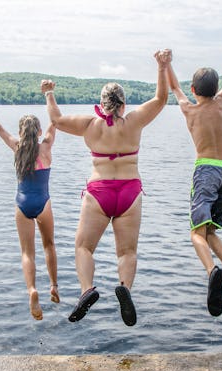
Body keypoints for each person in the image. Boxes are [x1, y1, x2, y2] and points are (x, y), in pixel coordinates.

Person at [40, 50, 171, 326]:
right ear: (123, 104)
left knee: (83, 247)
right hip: (129, 193)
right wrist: (162, 66)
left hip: (98, 193)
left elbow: (57, 121)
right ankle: (125, 288)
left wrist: (49, 94)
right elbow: (161, 99)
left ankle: (87, 289)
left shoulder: (90, 125)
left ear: (101, 103)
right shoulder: (134, 121)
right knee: (127, 252)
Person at [165, 32, 222, 317]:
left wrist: (165, 64)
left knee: (195, 233)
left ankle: (212, 271)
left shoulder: (189, 110)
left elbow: (174, 87)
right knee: (210, 229)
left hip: (207, 171)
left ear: (194, 89)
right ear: (216, 89)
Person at [0, 98, 59, 321]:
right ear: (39, 131)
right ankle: (53, 286)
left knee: (27, 252)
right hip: (43, 203)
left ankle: (32, 289)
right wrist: (50, 95)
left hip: (22, 204)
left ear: (21, 133)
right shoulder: (46, 147)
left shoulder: (16, 147)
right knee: (49, 245)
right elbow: (56, 120)